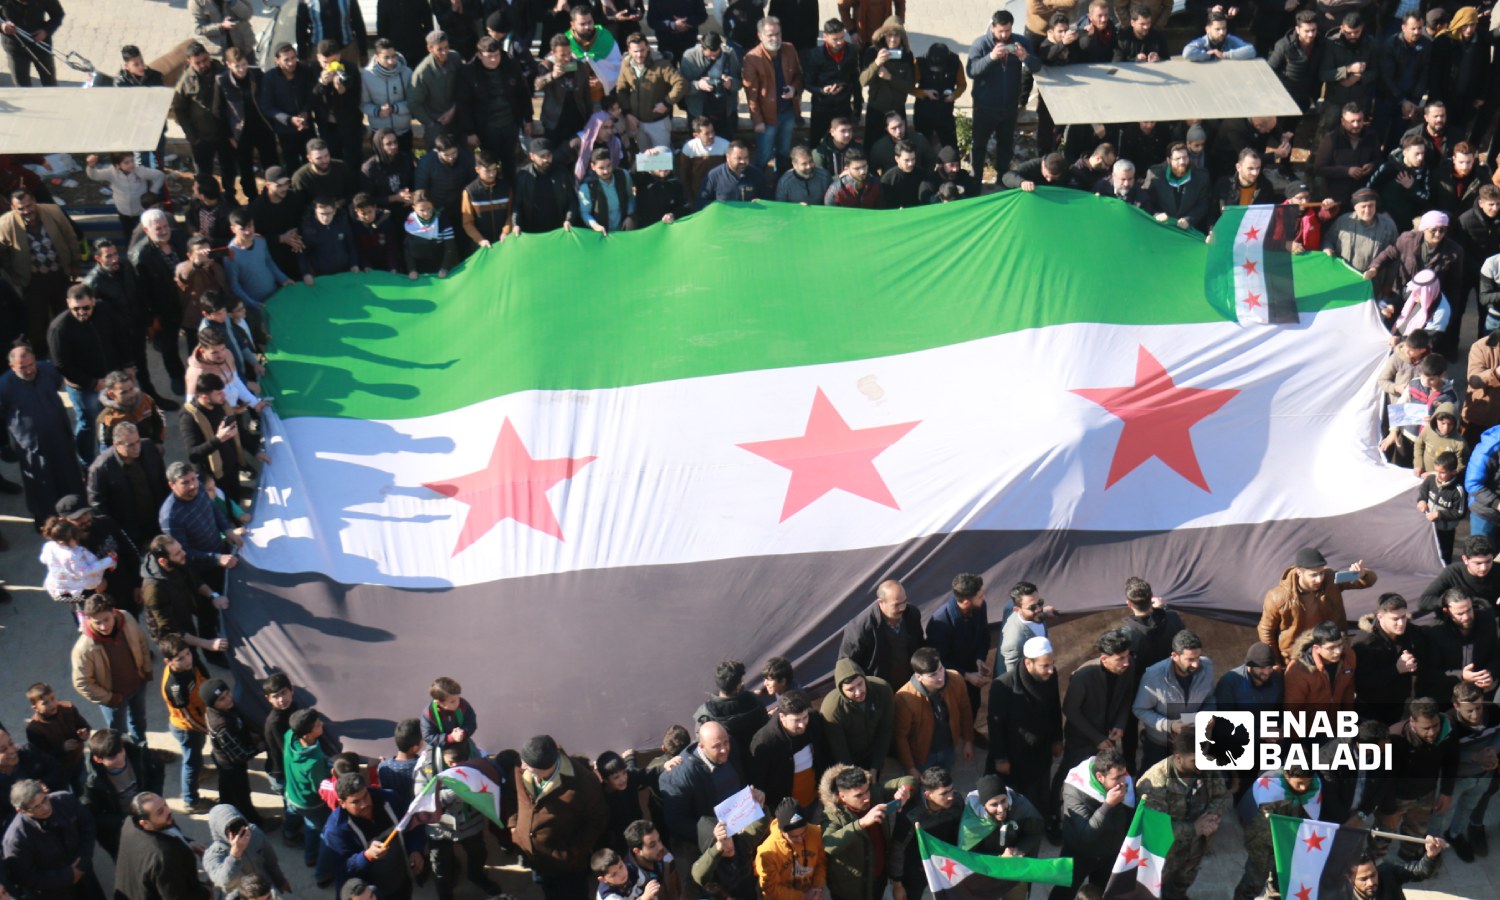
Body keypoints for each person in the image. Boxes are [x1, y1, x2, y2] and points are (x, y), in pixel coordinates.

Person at [508, 735, 608, 900]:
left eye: (527, 764)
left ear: (546, 767)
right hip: (535, 857)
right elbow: (512, 796)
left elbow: (598, 819)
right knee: (549, 892)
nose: (522, 766)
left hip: (567, 866)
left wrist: (571, 853)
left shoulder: (582, 782)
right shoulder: (523, 766)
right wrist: (514, 827)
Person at [1136, 730, 1230, 899]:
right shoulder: (1154, 782)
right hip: (1164, 852)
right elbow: (1156, 828)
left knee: (1182, 885)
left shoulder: (1206, 768)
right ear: (1178, 758)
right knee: (1150, 892)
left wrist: (1211, 817)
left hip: (1195, 846)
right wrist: (1194, 828)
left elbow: (1220, 795)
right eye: (1195, 760)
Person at [987, 636, 1061, 838]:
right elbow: (996, 725)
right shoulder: (1003, 685)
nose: (1050, 670)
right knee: (1016, 799)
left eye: (1052, 665)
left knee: (1040, 794)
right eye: (1045, 666)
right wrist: (1000, 758)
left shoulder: (1050, 677)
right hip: (1014, 754)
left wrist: (1057, 738)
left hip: (1041, 749)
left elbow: (1054, 708)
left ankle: (1042, 824)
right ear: (1028, 663)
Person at [1257, 547, 1376, 666]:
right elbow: (1265, 630)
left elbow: (1368, 581)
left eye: (1321, 573)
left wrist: (1363, 574)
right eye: (1313, 575)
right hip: (1299, 658)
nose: (1319, 579)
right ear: (1299, 572)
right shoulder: (1277, 597)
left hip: (1333, 650)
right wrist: (1274, 663)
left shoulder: (1331, 578)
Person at [415, 740, 501, 900]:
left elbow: (489, 787)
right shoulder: (426, 765)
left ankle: (476, 876)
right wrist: (454, 794)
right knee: (440, 864)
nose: (456, 767)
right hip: (439, 827)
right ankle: (445, 893)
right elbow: (421, 797)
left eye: (461, 763)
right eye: (451, 763)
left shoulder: (479, 762)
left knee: (478, 853)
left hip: (471, 823)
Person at [0, 191, 81, 359]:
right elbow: (3, 253)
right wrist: (14, 274)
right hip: (32, 280)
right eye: (21, 208)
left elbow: (70, 237)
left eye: (29, 206)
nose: (27, 211)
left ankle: (70, 350)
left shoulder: (53, 212)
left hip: (59, 273)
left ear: (35, 201)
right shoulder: (5, 223)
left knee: (65, 314)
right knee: (37, 322)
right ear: (13, 208)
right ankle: (41, 355)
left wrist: (75, 262)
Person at [1378, 697, 1458, 860]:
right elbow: (1384, 778)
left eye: (1435, 725)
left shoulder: (1448, 729)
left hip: (1426, 795)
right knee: (1382, 835)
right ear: (1412, 722)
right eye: (1426, 728)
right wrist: (1389, 809)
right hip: (1397, 797)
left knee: (1416, 833)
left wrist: (1446, 792)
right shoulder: (1394, 738)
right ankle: (1374, 861)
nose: (1432, 732)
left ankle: (1409, 857)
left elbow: (1451, 760)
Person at [1050, 750, 1134, 900]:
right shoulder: (1075, 790)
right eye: (1116, 778)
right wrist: (1108, 805)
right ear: (1100, 777)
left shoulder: (1125, 785)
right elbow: (1086, 834)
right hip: (1079, 854)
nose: (1123, 782)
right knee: (1063, 894)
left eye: (1124, 775)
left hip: (1109, 855)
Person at [818, 765, 910, 900]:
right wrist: (861, 823)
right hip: (850, 891)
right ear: (842, 796)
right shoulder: (833, 814)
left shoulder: (876, 794)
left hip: (877, 881)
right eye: (859, 795)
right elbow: (829, 844)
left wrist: (905, 791)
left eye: (867, 791)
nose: (866, 798)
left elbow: (908, 780)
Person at [967, 11, 1040, 182]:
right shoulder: (981, 44)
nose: (1004, 35)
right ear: (993, 27)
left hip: (1008, 107)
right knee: (979, 146)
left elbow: (1037, 66)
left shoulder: (1020, 42)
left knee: (1006, 146)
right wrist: (991, 57)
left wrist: (1025, 57)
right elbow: (971, 71)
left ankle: (1002, 179)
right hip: (984, 108)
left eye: (1007, 31)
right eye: (1000, 31)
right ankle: (975, 180)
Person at [2, 779, 104, 900]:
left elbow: (87, 826)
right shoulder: (16, 840)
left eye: (45, 799)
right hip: (54, 893)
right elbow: (25, 877)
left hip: (85, 876)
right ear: (21, 811)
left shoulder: (65, 800)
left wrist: (83, 860)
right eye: (36, 807)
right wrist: (68, 875)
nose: (45, 808)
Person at [69, 594, 151, 745]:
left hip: (137, 685)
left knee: (139, 720)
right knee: (117, 733)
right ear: (88, 620)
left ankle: (141, 750)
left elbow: (142, 642)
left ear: (113, 612)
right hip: (113, 697)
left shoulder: (127, 619)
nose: (103, 626)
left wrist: (146, 669)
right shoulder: (83, 648)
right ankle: (123, 755)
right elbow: (82, 682)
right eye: (97, 622)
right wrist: (109, 698)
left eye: (106, 620)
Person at [453, 35, 534, 184]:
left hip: (510, 124)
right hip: (486, 128)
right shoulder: (468, 73)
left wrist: (527, 119)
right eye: (489, 57)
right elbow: (463, 104)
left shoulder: (511, 65)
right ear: (479, 55)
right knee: (490, 165)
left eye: (496, 55)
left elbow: (523, 94)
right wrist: (469, 131)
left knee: (510, 164)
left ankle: (511, 196)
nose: (494, 60)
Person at [1133, 630, 1215, 771]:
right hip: (1160, 744)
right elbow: (1140, 709)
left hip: (1193, 742)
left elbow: (1210, 697)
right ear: (1175, 656)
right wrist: (1169, 725)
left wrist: (1209, 714)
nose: (1196, 664)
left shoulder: (1207, 666)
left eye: (1198, 658)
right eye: (1190, 660)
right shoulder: (1153, 676)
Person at [81, 728, 163, 859]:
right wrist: (126, 821)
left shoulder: (139, 754)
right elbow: (93, 816)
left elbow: (157, 772)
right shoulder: (91, 784)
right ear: (98, 759)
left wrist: (153, 800)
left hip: (148, 816)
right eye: (112, 756)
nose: (120, 758)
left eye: (120, 751)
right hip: (121, 829)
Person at [113, 793, 211, 900]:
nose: (168, 810)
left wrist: (186, 842)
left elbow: (168, 832)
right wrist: (206, 892)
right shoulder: (164, 857)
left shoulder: (130, 823)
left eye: (165, 804)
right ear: (145, 823)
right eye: (160, 812)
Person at [1061, 630, 1133, 771]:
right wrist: (1096, 738)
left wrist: (1120, 724)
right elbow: (1070, 709)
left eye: (1127, 656)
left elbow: (1126, 697)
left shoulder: (1128, 668)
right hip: (1081, 738)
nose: (1126, 663)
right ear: (1104, 659)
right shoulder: (1084, 676)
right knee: (1072, 775)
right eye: (1120, 659)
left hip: (1108, 736)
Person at [748, 690, 828, 814]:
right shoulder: (764, 741)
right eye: (796, 720)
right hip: (786, 811)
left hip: (816, 800)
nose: (802, 725)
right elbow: (758, 781)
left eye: (805, 717)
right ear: (782, 717)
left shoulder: (814, 721)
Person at [742, 16, 803, 174]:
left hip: (788, 113)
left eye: (778, 33)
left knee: (784, 153)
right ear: (760, 36)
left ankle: (780, 186)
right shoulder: (751, 58)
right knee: (764, 155)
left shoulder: (789, 48)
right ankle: (758, 189)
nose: (775, 38)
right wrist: (757, 121)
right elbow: (751, 95)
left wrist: (794, 90)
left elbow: (799, 75)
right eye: (770, 35)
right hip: (766, 118)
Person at [839, 579, 926, 688]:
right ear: (881, 602)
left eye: (904, 602)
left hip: (911, 684)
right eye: (897, 605)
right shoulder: (860, 628)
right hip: (879, 690)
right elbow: (847, 666)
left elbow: (920, 645)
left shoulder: (912, 614)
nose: (902, 608)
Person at [926, 572, 991, 716]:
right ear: (966, 602)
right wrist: (967, 675)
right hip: (951, 684)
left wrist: (979, 659)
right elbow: (940, 661)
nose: (984, 598)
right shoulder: (940, 623)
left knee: (973, 708)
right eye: (980, 596)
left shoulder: (980, 607)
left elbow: (984, 636)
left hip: (973, 678)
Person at [284, 708, 336, 886]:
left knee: (310, 824)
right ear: (307, 735)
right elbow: (319, 788)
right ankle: (322, 873)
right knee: (326, 835)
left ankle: (309, 856)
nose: (321, 724)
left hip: (293, 795)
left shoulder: (289, 735)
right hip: (312, 803)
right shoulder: (313, 761)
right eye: (317, 725)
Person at [1419, 589, 1498, 702]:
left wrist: (1490, 673)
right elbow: (1431, 672)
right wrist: (1461, 675)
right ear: (1446, 611)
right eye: (1459, 614)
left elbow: (1496, 654)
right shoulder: (1436, 632)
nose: (1466, 617)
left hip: (1483, 688)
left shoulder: (1487, 622)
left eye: (1469, 610)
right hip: (1448, 691)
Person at [819, 659, 894, 775]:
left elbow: (885, 729)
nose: (858, 692)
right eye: (851, 689)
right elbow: (839, 750)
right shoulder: (832, 709)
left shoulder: (882, 690)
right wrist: (856, 775)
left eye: (860, 684)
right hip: (849, 759)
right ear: (841, 690)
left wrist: (876, 766)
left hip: (875, 753)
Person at [172, 44, 231, 184]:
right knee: (204, 173)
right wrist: (193, 137)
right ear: (189, 61)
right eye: (198, 62)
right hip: (202, 137)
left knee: (228, 168)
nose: (203, 65)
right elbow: (180, 111)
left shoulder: (222, 72)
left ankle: (229, 197)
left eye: (205, 60)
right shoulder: (185, 82)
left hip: (224, 132)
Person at [617, 33, 685, 151]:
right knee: (645, 160)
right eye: (635, 51)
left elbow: (681, 83)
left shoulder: (661, 64)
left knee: (663, 160)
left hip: (658, 122)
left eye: (642, 50)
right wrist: (627, 112)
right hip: (637, 122)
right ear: (629, 50)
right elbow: (621, 89)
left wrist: (667, 103)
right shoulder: (626, 63)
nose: (639, 55)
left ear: (648, 47)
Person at [202, 804, 290, 896]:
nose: (239, 831)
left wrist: (280, 881)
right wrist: (235, 855)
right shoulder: (212, 856)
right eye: (232, 828)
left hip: (265, 892)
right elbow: (225, 882)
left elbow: (270, 862)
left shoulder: (254, 833)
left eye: (240, 823)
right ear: (219, 829)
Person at [754, 797, 825, 900]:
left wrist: (817, 887)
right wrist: (802, 897)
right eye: (794, 837)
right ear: (782, 832)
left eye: (803, 833)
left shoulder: (815, 833)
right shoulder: (767, 851)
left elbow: (821, 863)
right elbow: (770, 888)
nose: (800, 839)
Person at [24, 683, 90, 793]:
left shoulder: (68, 709)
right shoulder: (35, 729)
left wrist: (83, 734)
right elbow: (41, 755)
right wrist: (61, 748)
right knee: (64, 794)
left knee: (84, 789)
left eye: (52, 699)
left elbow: (83, 725)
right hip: (58, 769)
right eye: (45, 703)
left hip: (78, 760)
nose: (52, 704)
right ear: (35, 708)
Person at [692, 659, 769, 753]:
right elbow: (766, 729)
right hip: (758, 757)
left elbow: (702, 746)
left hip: (728, 764)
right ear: (737, 685)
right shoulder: (754, 700)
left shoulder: (706, 713)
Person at [1284, 621, 1359, 715]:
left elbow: (1348, 690)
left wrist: (1348, 719)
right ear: (1317, 648)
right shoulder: (1298, 670)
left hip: (1338, 723)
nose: (1338, 651)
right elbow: (1292, 711)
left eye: (1340, 645)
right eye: (1331, 648)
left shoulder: (1348, 656)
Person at [1343, 835, 1446, 898]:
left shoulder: (1387, 873)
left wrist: (1431, 856)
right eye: (1363, 879)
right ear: (1349, 878)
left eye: (1373, 875)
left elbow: (1419, 871)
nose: (1371, 882)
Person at [1418, 535, 1500, 611]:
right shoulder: (1453, 573)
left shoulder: (1497, 569)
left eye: (1488, 561)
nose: (1484, 568)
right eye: (1478, 563)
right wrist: (1450, 602)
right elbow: (1424, 600)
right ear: (1465, 559)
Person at [408, 30, 460, 150]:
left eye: (446, 47)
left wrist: (454, 109)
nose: (444, 52)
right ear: (430, 48)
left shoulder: (455, 58)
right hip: (436, 121)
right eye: (440, 49)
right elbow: (414, 103)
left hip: (457, 114)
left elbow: (463, 87)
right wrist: (430, 123)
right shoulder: (422, 73)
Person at [514, 139, 578, 234]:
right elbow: (517, 205)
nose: (546, 159)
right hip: (533, 232)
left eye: (549, 155)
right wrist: (516, 224)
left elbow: (572, 201)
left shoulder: (562, 173)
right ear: (532, 156)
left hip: (559, 230)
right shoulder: (523, 177)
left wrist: (569, 220)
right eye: (542, 156)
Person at [1148, 143, 1212, 231]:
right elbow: (1146, 201)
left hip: (1188, 229)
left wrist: (1189, 219)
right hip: (1161, 228)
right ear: (1169, 160)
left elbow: (1203, 204)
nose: (1182, 162)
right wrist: (1156, 214)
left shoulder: (1201, 176)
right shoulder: (1155, 176)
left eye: (1185, 157)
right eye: (1177, 159)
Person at [460, 151, 512, 250]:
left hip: (505, 241)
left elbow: (511, 214)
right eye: (487, 171)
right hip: (481, 245)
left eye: (494, 170)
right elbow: (467, 222)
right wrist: (480, 240)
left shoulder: (506, 188)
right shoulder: (470, 192)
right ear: (477, 170)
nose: (492, 174)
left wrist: (506, 231)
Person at [999, 581, 1053, 674]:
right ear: (1016, 610)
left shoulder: (1036, 614)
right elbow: (1013, 678)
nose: (1039, 609)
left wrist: (1045, 612)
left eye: (1040, 603)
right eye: (1032, 608)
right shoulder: (1014, 642)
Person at [403, 190, 458, 277]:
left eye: (429, 208)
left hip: (440, 268)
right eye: (422, 210)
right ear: (413, 207)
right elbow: (407, 249)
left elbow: (450, 247)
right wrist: (412, 269)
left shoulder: (443, 220)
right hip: (418, 270)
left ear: (433, 205)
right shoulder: (410, 223)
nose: (426, 213)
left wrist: (444, 268)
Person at [698, 141, 769, 206]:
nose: (743, 161)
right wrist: (718, 205)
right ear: (728, 158)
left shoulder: (757, 175)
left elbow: (768, 200)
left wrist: (761, 202)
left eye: (746, 158)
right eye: (739, 158)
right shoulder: (714, 176)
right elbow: (701, 203)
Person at [1184, 11, 1256, 61]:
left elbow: (1251, 50)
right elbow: (1187, 53)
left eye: (1224, 28)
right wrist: (1207, 55)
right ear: (1207, 29)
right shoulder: (1202, 42)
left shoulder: (1230, 39)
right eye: (1217, 29)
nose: (1222, 32)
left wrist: (1224, 55)